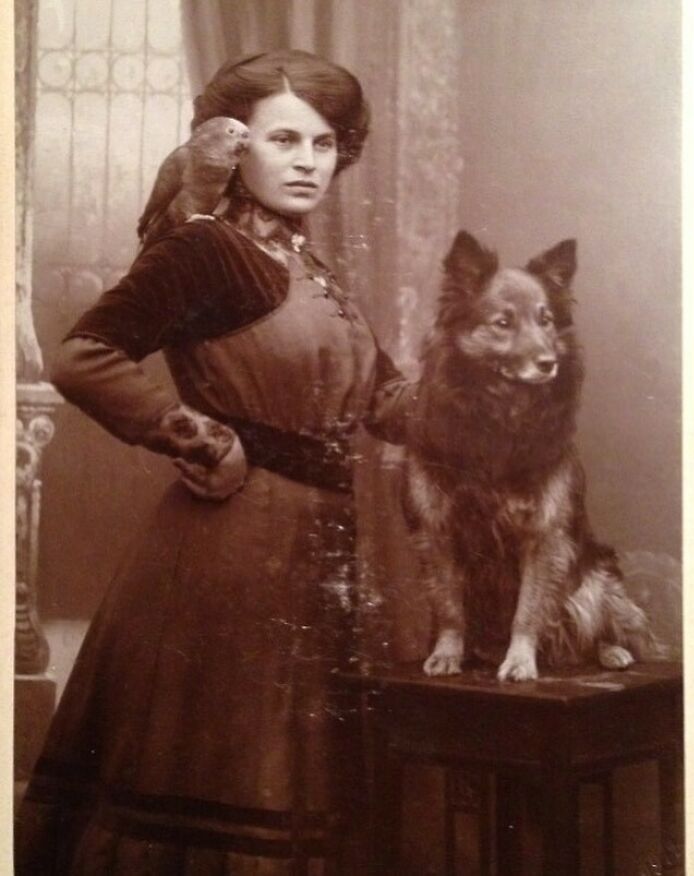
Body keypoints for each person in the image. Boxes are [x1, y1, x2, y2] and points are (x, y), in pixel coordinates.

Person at [16, 50, 416, 875]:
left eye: (325, 143)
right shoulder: (206, 251)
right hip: (228, 561)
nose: (308, 161)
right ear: (236, 148)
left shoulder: (310, 268)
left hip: (321, 557)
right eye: (284, 140)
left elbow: (384, 404)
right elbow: (82, 356)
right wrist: (194, 434)